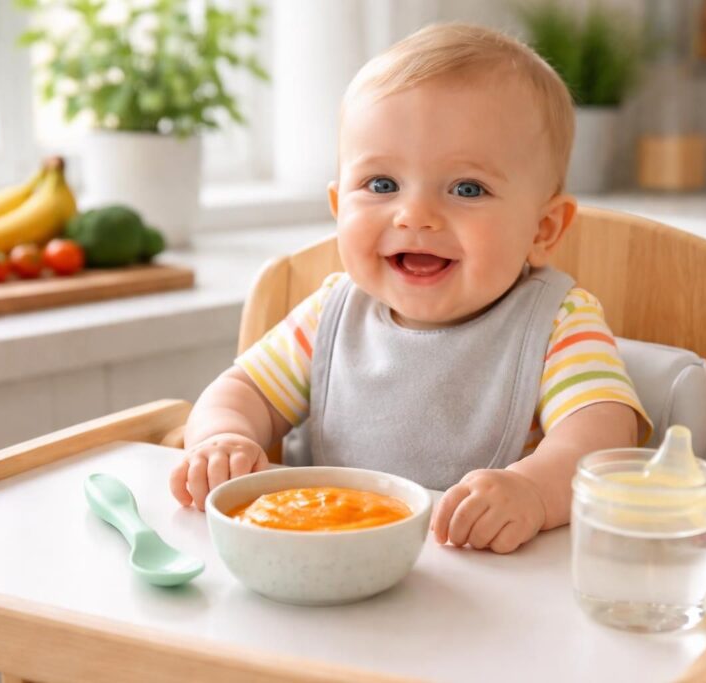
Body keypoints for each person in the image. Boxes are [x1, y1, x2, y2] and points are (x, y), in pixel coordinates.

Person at [170, 22, 651, 554]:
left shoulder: (559, 322)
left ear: (543, 230)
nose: (415, 215)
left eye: (467, 188)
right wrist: (222, 438)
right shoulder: (331, 315)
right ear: (338, 209)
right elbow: (245, 391)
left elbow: (603, 436)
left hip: (485, 588)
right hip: (324, 568)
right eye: (381, 185)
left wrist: (533, 492)